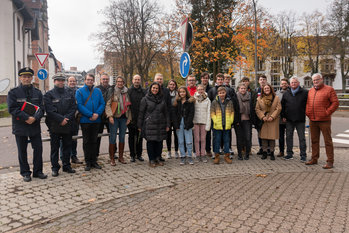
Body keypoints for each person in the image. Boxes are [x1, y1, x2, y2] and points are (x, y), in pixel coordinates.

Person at [7, 67, 47, 182]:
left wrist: (34, 118)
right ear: (20, 78)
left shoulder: (37, 92)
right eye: (24, 77)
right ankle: (25, 173)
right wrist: (26, 118)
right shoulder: (13, 92)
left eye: (29, 77)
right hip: (20, 126)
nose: (26, 79)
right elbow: (12, 109)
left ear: (32, 78)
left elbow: (42, 108)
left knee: (38, 149)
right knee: (22, 151)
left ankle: (38, 171)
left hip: (34, 125)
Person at [44, 73, 76, 177]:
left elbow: (73, 108)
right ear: (54, 81)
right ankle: (55, 168)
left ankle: (66, 165)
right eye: (58, 80)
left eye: (62, 80)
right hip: (55, 125)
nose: (61, 82)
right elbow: (50, 110)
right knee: (55, 148)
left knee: (67, 147)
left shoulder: (69, 93)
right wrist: (61, 119)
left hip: (67, 124)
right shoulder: (49, 94)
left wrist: (66, 118)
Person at [305, 73, 339, 169]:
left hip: (324, 120)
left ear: (322, 79)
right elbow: (308, 103)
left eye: (317, 79)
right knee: (314, 140)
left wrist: (327, 112)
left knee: (327, 141)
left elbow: (335, 103)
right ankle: (314, 158)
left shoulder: (329, 89)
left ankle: (330, 161)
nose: (315, 81)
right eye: (314, 80)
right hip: (313, 119)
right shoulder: (311, 91)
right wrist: (308, 112)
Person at [76, 74, 105, 171]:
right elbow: (79, 106)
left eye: (91, 80)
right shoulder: (79, 91)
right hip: (85, 120)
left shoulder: (98, 91)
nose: (89, 81)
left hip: (97, 120)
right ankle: (88, 162)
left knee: (94, 141)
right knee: (86, 141)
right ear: (85, 80)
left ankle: (94, 161)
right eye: (88, 79)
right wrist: (90, 115)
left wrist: (97, 113)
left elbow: (102, 103)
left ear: (93, 81)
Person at [138, 82, 170, 167]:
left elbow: (166, 113)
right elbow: (141, 113)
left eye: (156, 88)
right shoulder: (145, 99)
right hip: (150, 124)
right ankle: (151, 159)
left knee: (159, 142)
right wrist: (139, 125)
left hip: (161, 124)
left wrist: (168, 124)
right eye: (153, 88)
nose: (155, 89)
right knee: (151, 142)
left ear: (159, 90)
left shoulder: (162, 99)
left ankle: (158, 157)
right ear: (150, 89)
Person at [105, 76, 131, 166]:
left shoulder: (127, 91)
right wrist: (110, 116)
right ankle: (112, 158)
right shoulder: (112, 91)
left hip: (124, 118)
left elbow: (129, 106)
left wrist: (129, 118)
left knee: (122, 137)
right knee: (112, 137)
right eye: (118, 81)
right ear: (116, 82)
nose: (120, 83)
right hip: (114, 117)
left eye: (121, 81)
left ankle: (121, 157)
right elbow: (107, 105)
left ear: (124, 82)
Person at [281, 77, 308, 162]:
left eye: (295, 82)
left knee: (302, 138)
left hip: (300, 119)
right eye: (292, 83)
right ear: (289, 84)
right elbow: (283, 106)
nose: (293, 84)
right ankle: (289, 154)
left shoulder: (304, 92)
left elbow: (308, 104)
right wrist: (283, 116)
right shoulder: (286, 93)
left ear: (298, 83)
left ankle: (303, 155)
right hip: (289, 119)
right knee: (288, 137)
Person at [255, 83, 281, 160]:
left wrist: (272, 116)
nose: (267, 90)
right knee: (264, 137)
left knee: (272, 137)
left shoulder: (276, 98)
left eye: (268, 88)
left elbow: (278, 108)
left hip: (273, 120)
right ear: (263, 90)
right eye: (265, 88)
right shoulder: (259, 99)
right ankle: (265, 152)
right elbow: (257, 109)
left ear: (271, 89)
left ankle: (272, 152)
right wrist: (262, 116)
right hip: (264, 120)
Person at [211, 87, 234, 164]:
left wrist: (231, 120)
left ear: (225, 93)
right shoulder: (214, 102)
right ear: (218, 94)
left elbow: (232, 112)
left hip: (226, 124)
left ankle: (227, 155)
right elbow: (212, 113)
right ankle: (217, 156)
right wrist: (215, 120)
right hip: (217, 125)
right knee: (217, 140)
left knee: (226, 141)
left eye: (223, 93)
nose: (222, 94)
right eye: (220, 93)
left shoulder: (229, 102)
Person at [172, 86, 195, 165]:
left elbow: (191, 114)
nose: (182, 93)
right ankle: (182, 156)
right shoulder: (176, 102)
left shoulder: (190, 101)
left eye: (183, 92)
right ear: (178, 93)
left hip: (187, 123)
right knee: (181, 141)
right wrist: (176, 125)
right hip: (179, 124)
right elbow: (174, 115)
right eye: (180, 92)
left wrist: (188, 124)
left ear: (186, 92)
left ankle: (189, 156)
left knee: (189, 141)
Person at [127, 74, 145, 162]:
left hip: (141, 118)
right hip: (131, 118)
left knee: (139, 137)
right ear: (132, 81)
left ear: (140, 81)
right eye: (135, 79)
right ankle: (132, 155)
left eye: (138, 79)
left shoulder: (143, 91)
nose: (137, 81)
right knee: (131, 137)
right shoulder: (129, 91)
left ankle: (139, 154)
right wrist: (129, 118)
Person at [96, 73, 114, 159]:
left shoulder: (112, 89)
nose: (105, 81)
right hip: (99, 116)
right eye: (103, 79)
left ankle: (113, 153)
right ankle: (96, 154)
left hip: (110, 115)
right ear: (100, 80)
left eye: (106, 79)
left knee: (112, 135)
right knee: (97, 135)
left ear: (109, 80)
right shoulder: (96, 89)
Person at [153, 73, 170, 162]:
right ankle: (153, 156)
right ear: (154, 80)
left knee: (161, 139)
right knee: (153, 138)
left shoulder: (166, 91)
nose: (159, 80)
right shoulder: (151, 90)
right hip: (153, 118)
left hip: (163, 118)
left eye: (160, 79)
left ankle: (159, 155)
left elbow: (169, 105)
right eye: (157, 79)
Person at [235, 83, 255, 160]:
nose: (243, 90)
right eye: (241, 88)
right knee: (239, 138)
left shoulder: (249, 97)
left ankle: (247, 153)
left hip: (248, 120)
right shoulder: (236, 97)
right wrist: (235, 120)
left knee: (247, 138)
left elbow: (252, 108)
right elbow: (235, 109)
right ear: (238, 89)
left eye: (244, 88)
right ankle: (240, 154)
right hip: (239, 121)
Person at [66, 76, 82, 164]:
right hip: (67, 119)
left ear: (76, 82)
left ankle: (74, 156)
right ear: (67, 82)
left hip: (75, 119)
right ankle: (65, 158)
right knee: (65, 140)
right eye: (70, 81)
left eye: (73, 81)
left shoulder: (78, 91)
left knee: (74, 139)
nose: (72, 82)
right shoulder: (64, 91)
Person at [193, 84, 211, 162]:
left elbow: (209, 112)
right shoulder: (193, 99)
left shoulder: (207, 100)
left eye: (202, 89)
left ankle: (203, 155)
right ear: (197, 90)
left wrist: (208, 124)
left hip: (204, 121)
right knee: (197, 139)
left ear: (204, 90)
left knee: (203, 139)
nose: (200, 91)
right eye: (199, 89)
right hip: (195, 122)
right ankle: (197, 154)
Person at [275, 78, 289, 158]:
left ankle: (289, 151)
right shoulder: (277, 93)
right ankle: (281, 151)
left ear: (288, 84)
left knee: (289, 136)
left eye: (285, 83)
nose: (283, 85)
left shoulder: (291, 92)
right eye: (282, 84)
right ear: (280, 85)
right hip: (280, 119)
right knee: (280, 136)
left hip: (288, 118)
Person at [200, 72, 213, 157]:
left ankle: (208, 150)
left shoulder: (211, 89)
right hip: (199, 113)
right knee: (199, 133)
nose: (205, 79)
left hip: (208, 114)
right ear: (201, 79)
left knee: (208, 133)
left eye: (206, 78)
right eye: (203, 78)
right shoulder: (198, 88)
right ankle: (200, 150)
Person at [255, 75, 268, 155]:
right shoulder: (256, 90)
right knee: (260, 132)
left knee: (268, 132)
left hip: (267, 115)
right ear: (258, 81)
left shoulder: (269, 89)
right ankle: (261, 148)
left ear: (266, 80)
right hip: (259, 116)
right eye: (260, 79)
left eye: (263, 79)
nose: (262, 81)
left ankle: (268, 148)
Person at [166, 79, 179, 159]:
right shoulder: (166, 93)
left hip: (176, 117)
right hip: (168, 117)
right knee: (168, 135)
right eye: (170, 84)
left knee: (176, 135)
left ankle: (176, 151)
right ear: (168, 85)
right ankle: (168, 151)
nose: (172, 86)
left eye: (173, 84)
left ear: (175, 85)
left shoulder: (178, 94)